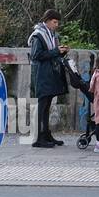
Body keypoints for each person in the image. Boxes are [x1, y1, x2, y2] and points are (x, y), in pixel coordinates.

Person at [28, 9, 70, 148]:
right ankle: (39, 138)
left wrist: (61, 52)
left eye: (57, 22)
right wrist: (57, 51)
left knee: (47, 106)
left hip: (50, 74)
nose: (56, 25)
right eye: (54, 22)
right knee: (43, 106)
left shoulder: (51, 35)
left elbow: (51, 54)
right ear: (47, 21)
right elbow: (36, 55)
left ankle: (46, 134)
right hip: (41, 75)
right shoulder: (38, 35)